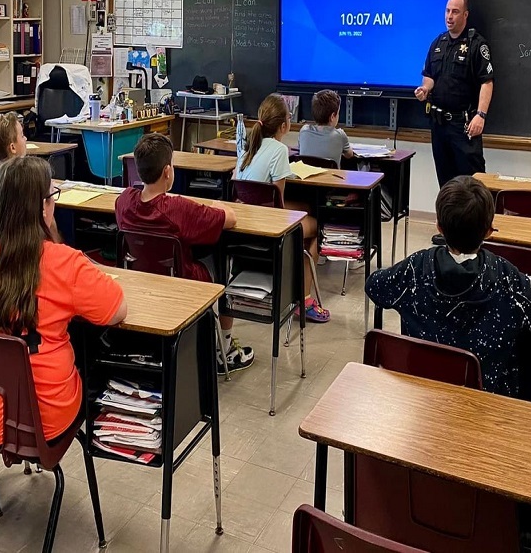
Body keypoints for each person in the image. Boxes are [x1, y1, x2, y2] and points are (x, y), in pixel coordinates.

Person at [0, 157, 127, 445]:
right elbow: (116, 310)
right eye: (52, 196)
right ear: (43, 207)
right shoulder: (65, 262)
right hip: (45, 421)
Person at [365, 175, 531, 398]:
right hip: (484, 404)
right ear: (488, 232)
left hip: (422, 399)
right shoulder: (505, 276)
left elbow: (374, 286)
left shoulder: (415, 268)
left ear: (439, 228)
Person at [115, 133, 254, 372]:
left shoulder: (124, 201)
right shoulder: (178, 209)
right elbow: (229, 218)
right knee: (223, 263)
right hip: (181, 281)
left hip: (141, 279)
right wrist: (216, 205)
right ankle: (225, 350)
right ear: (168, 171)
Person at [236, 94, 330, 323]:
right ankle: (305, 299)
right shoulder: (279, 150)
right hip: (267, 225)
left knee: (305, 210)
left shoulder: (247, 147)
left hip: (245, 223)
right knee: (317, 229)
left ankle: (296, 288)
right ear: (283, 125)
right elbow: (277, 201)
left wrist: (303, 208)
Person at [415, 0, 494, 190]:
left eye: (455, 12)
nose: (449, 16)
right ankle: (449, 221)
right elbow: (430, 76)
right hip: (439, 125)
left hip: (464, 125)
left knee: (472, 184)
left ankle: (476, 221)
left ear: (465, 15)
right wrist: (425, 88)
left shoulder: (476, 44)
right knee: (446, 184)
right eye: (447, 11)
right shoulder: (438, 43)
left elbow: (487, 82)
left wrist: (481, 115)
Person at [298, 89, 354, 167]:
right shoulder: (340, 135)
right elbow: (349, 155)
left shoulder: (304, 131)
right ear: (332, 117)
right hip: (332, 178)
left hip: (307, 178)